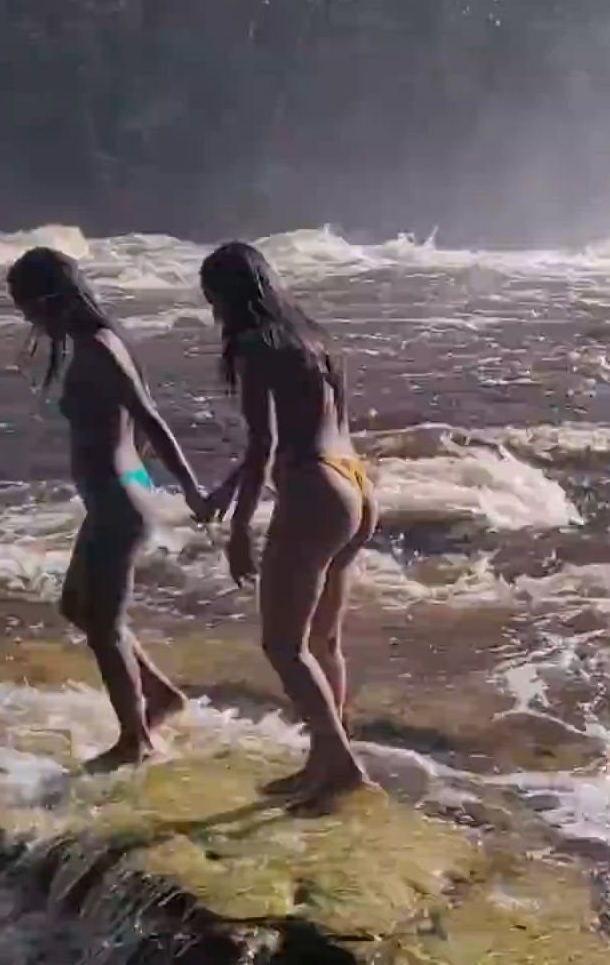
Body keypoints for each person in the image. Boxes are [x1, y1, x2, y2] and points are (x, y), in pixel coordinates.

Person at [7, 247, 208, 770]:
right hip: (117, 497)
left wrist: (189, 489)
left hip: (120, 503)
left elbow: (150, 415)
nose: (27, 320)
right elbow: (129, 427)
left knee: (105, 625)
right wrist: (133, 480)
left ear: (48, 299)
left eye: (26, 307)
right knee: (78, 607)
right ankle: (161, 697)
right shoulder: (94, 343)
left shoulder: (99, 346)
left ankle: (136, 739)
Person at [199, 241, 378, 810]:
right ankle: (325, 761)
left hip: (312, 491)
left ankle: (343, 766)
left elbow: (263, 448)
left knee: (282, 644)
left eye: (212, 300)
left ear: (229, 295)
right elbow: (309, 429)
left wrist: (238, 532)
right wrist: (227, 490)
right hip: (354, 483)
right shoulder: (314, 338)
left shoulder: (255, 344)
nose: (212, 314)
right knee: (324, 640)